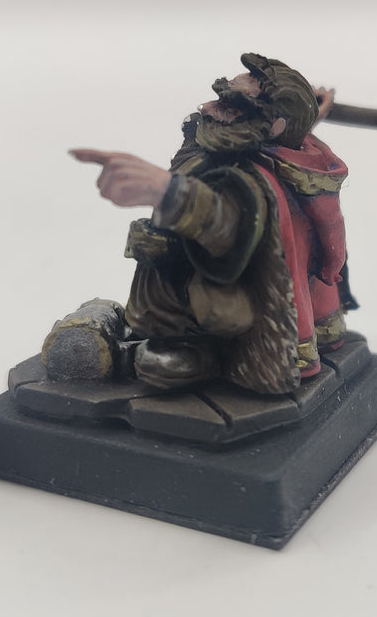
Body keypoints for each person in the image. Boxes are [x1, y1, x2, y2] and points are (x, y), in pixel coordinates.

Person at [70, 53, 355, 395]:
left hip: (227, 310)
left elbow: (228, 222)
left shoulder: (257, 179)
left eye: (230, 106)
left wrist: (168, 190)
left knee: (161, 363)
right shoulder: (257, 143)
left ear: (275, 125)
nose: (208, 108)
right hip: (194, 291)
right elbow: (278, 127)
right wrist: (310, 109)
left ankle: (201, 355)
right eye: (220, 97)